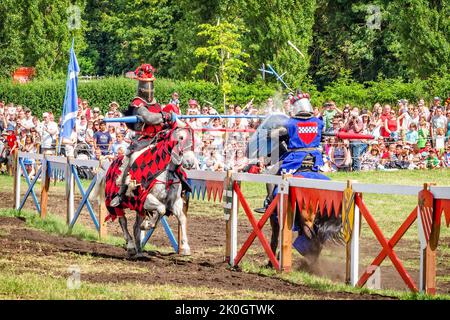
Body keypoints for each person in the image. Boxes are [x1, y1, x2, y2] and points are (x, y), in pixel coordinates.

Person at [110, 63, 188, 210]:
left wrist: (169, 119)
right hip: (142, 141)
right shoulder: (137, 103)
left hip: (158, 139)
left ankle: (178, 186)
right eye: (146, 83)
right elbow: (149, 118)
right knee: (130, 159)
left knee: (174, 155)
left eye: (150, 83)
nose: (148, 87)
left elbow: (160, 120)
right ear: (141, 84)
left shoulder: (155, 103)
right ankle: (121, 192)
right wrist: (164, 116)